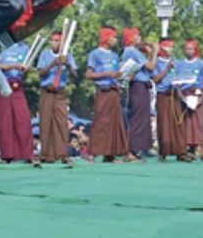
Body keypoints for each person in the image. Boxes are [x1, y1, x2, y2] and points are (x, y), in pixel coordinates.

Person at [87, 27, 128, 163]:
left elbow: (116, 73)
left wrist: (123, 75)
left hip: (114, 90)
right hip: (102, 90)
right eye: (113, 37)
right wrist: (107, 74)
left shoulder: (115, 56)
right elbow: (89, 74)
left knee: (115, 123)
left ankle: (110, 154)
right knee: (100, 122)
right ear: (106, 38)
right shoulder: (95, 54)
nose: (116, 40)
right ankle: (92, 153)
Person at [37, 32, 78, 166]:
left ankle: (63, 154)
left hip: (60, 93)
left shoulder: (68, 56)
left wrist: (68, 65)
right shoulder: (45, 54)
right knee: (46, 122)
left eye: (56, 41)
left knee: (61, 122)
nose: (53, 43)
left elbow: (75, 75)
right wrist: (53, 64)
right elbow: (40, 73)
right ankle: (45, 154)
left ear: (61, 44)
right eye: (52, 41)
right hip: (47, 91)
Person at [121, 28, 157, 160]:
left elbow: (145, 68)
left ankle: (136, 150)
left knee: (141, 119)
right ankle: (131, 149)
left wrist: (147, 52)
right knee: (137, 119)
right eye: (137, 36)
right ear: (131, 38)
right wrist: (155, 52)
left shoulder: (133, 51)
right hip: (138, 86)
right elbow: (151, 67)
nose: (140, 37)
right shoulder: (131, 51)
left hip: (139, 86)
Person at [0, 42, 35, 164]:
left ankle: (26, 154)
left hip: (18, 85)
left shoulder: (25, 47)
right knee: (5, 120)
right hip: (3, 84)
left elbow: (26, 69)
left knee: (23, 119)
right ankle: (7, 155)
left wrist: (26, 69)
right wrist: (12, 66)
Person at [153, 39, 190, 163]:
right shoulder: (156, 62)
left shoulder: (177, 62)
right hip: (163, 94)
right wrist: (166, 69)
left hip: (175, 95)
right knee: (164, 124)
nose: (171, 50)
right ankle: (163, 152)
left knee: (178, 123)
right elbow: (156, 79)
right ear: (162, 48)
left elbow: (181, 77)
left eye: (173, 47)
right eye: (169, 47)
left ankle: (181, 152)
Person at [176, 40, 203, 161]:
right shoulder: (179, 64)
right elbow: (177, 82)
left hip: (197, 95)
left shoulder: (202, 64)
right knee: (187, 124)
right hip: (185, 96)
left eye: (191, 49)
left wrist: (202, 97)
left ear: (195, 50)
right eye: (187, 49)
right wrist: (181, 95)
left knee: (199, 124)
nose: (189, 51)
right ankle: (190, 149)